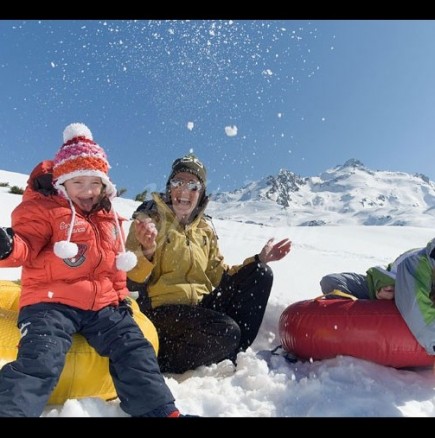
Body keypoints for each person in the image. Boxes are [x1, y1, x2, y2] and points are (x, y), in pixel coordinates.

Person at [0, 123, 188, 417]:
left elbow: (112, 267)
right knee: (42, 357)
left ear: (104, 184)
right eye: (78, 182)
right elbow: (26, 244)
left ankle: (160, 411)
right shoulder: (46, 211)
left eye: (95, 182)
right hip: (50, 303)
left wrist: (120, 298)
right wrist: (9, 246)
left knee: (134, 348)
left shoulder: (108, 216)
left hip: (102, 305)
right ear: (62, 183)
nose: (87, 191)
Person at [126, 152, 292, 374]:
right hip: (162, 314)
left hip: (200, 311)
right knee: (226, 331)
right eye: (178, 182)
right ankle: (163, 357)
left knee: (261, 274)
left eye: (193, 185)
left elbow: (221, 275)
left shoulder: (203, 229)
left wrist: (258, 260)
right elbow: (130, 281)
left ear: (201, 192)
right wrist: (147, 252)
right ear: (169, 187)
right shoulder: (148, 222)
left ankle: (231, 353)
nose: (184, 190)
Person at [319, 248, 418, 300]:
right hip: (372, 286)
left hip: (401, 302)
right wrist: (383, 285)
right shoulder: (419, 255)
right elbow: (393, 271)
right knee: (330, 281)